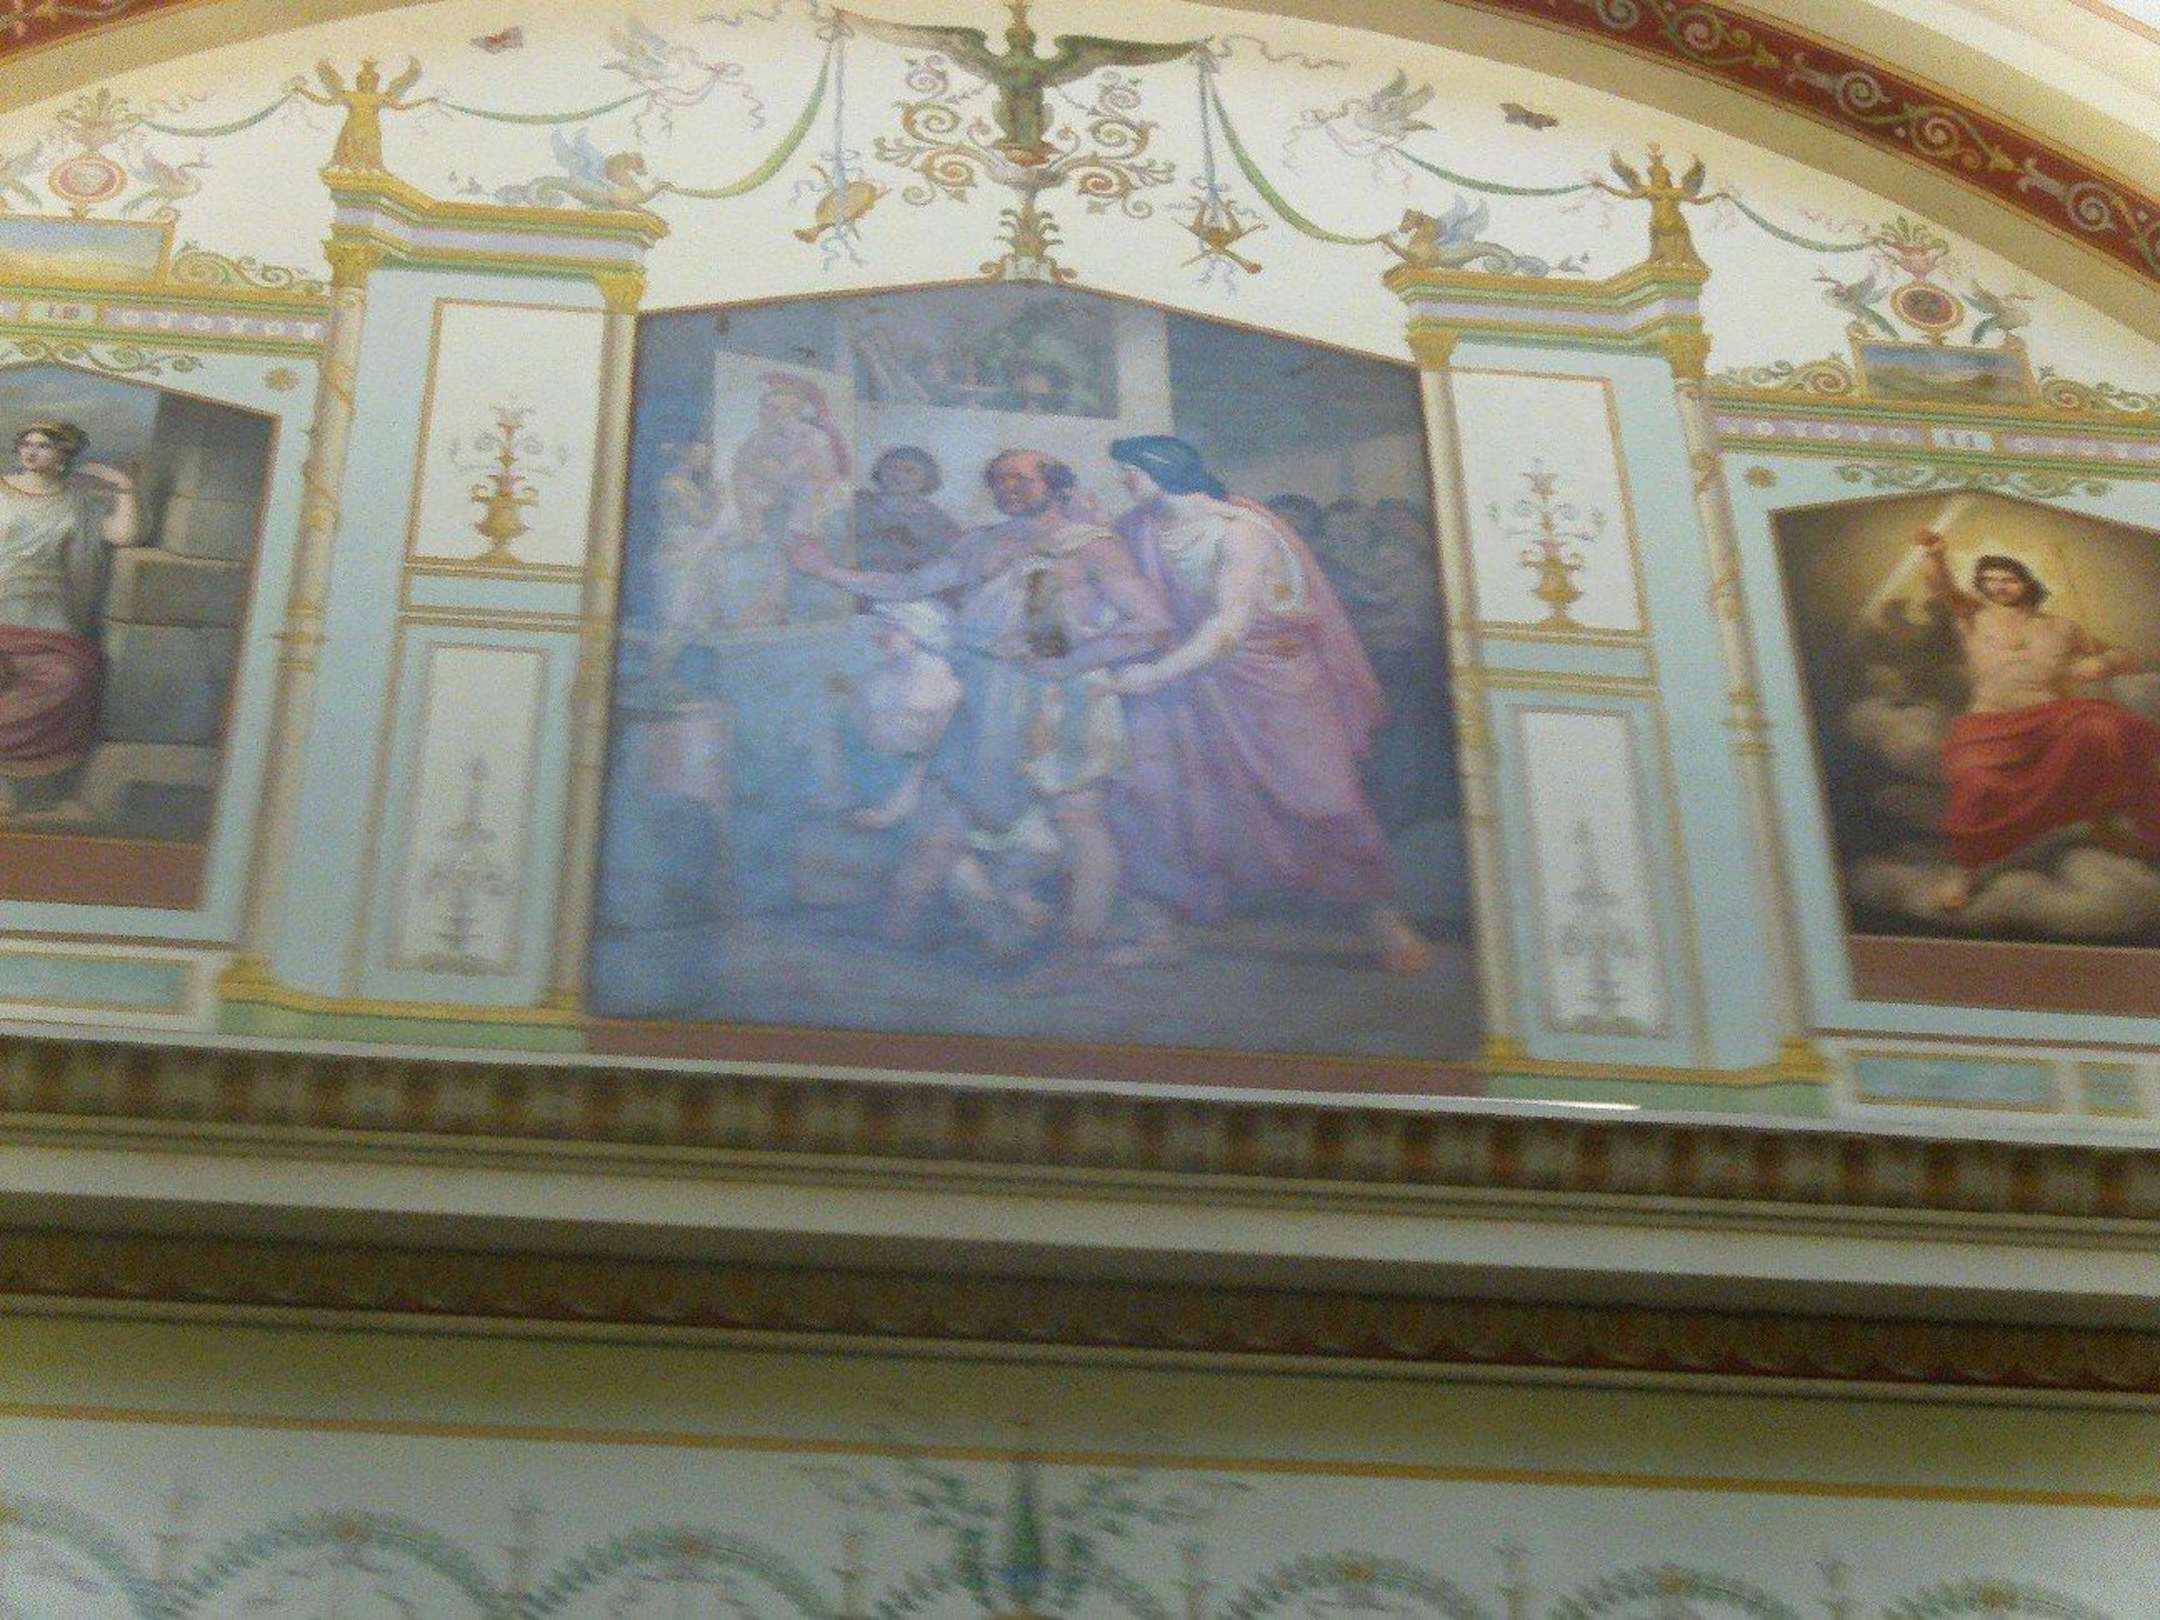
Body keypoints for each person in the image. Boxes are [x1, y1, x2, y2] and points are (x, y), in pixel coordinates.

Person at [790, 449, 1172, 984]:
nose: (1006, 488)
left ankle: (1077, 952)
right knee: (945, 808)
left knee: (1077, 819)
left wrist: (1069, 660)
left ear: (1054, 484)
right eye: (997, 480)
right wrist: (827, 571)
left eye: (1021, 479)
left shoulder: (1091, 545)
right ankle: (890, 939)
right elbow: (907, 587)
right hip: (985, 692)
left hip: (1059, 698)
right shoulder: (981, 543)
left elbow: (1153, 625)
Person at [1103, 435, 1434, 974]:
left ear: (1161, 469)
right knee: (1168, 800)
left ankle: (1383, 922)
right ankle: (1158, 927)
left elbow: (1228, 628)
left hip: (1273, 680)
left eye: (1130, 471)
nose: (1123, 481)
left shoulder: (1242, 532)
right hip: (1195, 687)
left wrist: (1153, 675)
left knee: (1325, 798)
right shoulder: (1142, 528)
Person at [1912, 529, 2158, 911]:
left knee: (2109, 729)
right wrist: (1934, 555)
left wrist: (2103, 663)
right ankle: (1965, 869)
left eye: (2008, 578)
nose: (1998, 586)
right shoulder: (1973, 615)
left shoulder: (2062, 627)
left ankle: (2109, 823)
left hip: (2052, 722)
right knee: (1977, 784)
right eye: (1989, 580)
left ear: (2028, 582)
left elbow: (2127, 659)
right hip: (1989, 726)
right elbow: (1942, 588)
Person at [0, 420, 142, 805]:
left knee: (71, 679)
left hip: (49, 618)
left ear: (64, 455)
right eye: (26, 443)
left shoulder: (77, 502)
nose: (31, 452)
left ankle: (14, 780)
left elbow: (124, 534)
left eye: (43, 446)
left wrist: (125, 487)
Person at [852, 447, 962, 579]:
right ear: (879, 470)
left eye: (910, 471)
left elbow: (950, 563)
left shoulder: (939, 521)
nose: (898, 475)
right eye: (892, 467)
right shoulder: (857, 504)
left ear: (927, 477)